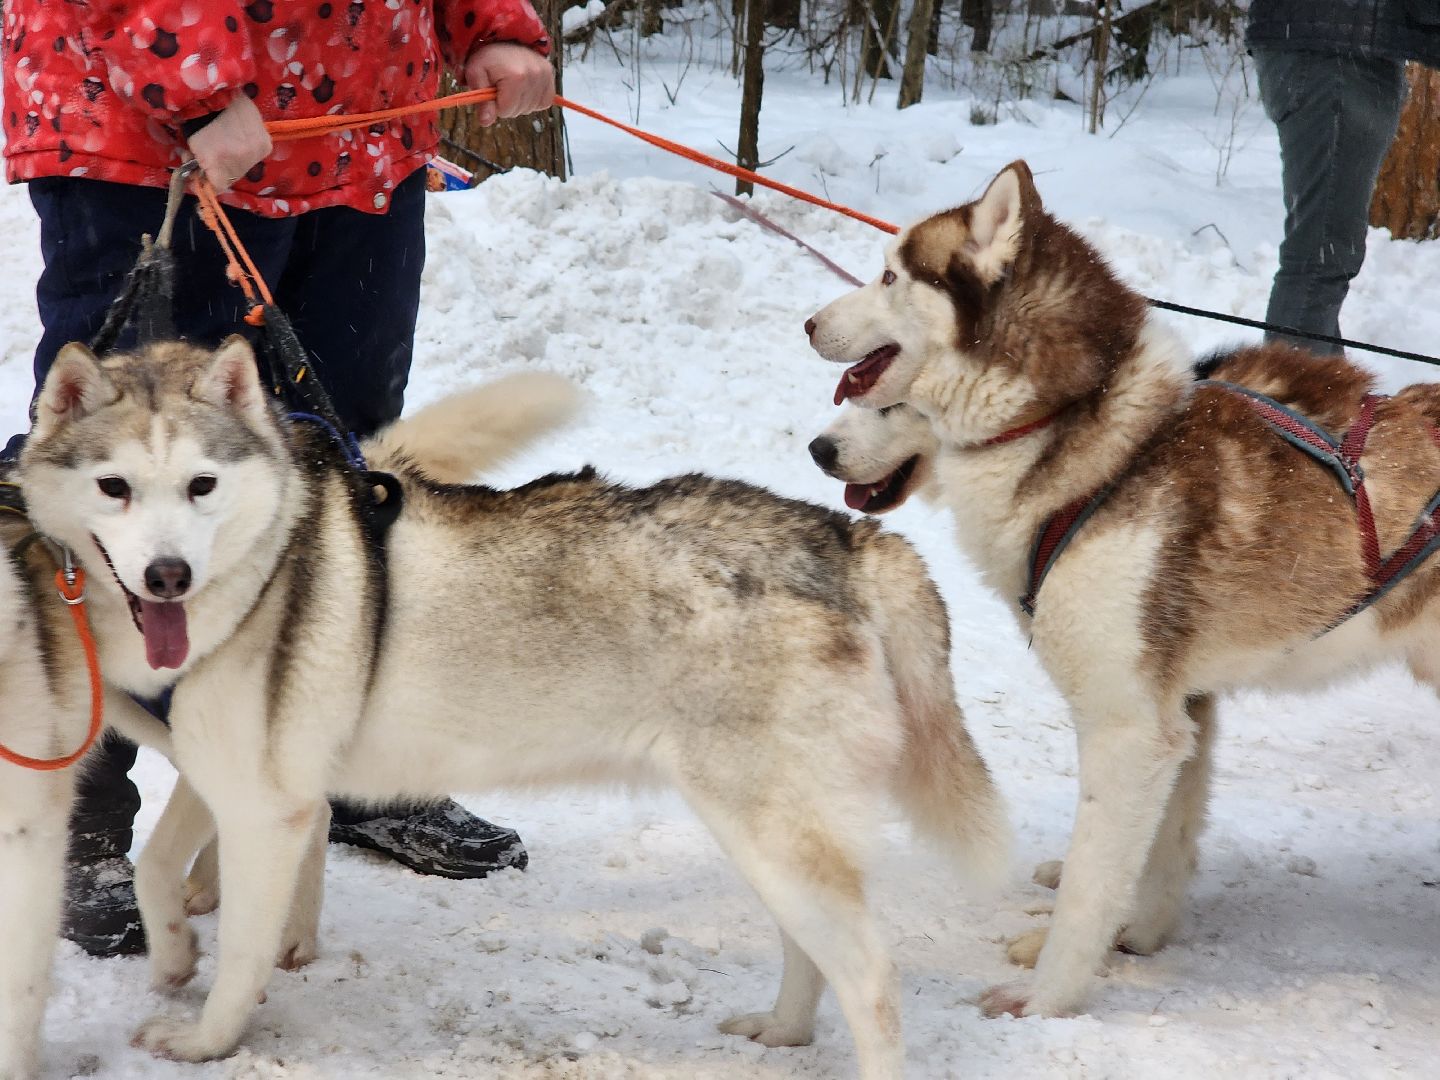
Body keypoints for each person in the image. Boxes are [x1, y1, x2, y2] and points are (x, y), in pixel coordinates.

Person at [1, 0, 555, 957]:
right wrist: (196, 88)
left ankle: (348, 766)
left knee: (341, 466)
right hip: (149, 125)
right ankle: (80, 813)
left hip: (359, 129)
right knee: (119, 478)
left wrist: (488, 21)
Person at [1248, 0, 1440, 354]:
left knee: (1324, 254)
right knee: (1320, 255)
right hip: (1334, 54)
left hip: (1328, 47)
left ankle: (1319, 383)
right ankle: (1287, 387)